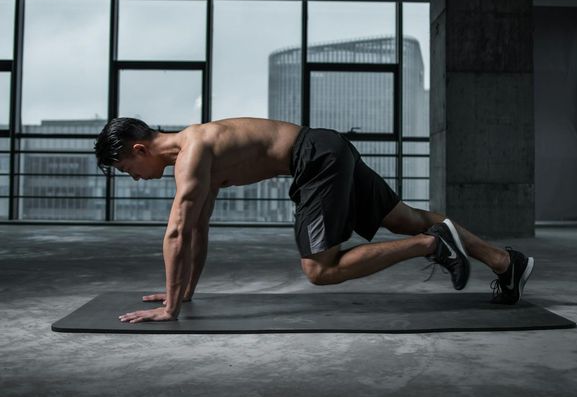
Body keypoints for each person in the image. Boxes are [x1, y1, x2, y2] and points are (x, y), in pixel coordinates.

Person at [94, 116, 534, 324]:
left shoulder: (191, 156)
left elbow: (175, 232)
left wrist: (171, 310)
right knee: (407, 217)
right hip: (326, 147)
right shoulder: (196, 149)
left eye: (127, 170)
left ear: (139, 150)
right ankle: (505, 262)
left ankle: (433, 245)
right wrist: (183, 292)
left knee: (320, 269)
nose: (133, 179)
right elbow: (197, 228)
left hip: (315, 158)